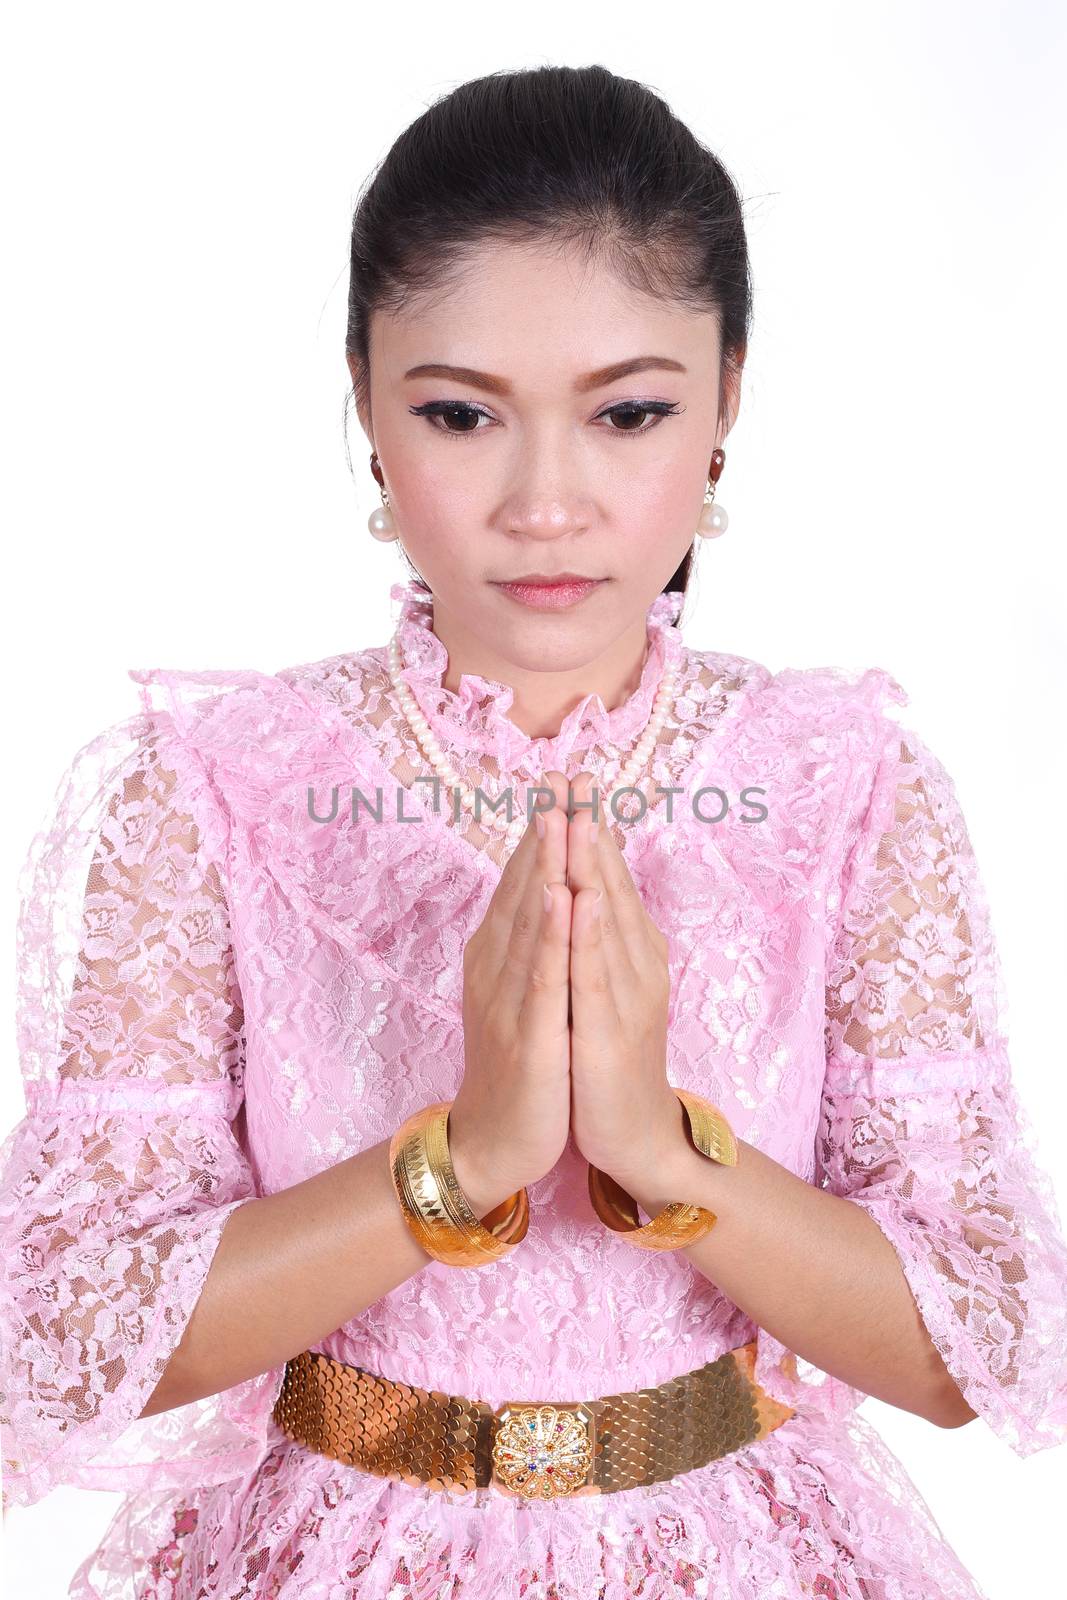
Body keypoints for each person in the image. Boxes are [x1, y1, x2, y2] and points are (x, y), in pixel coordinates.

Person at [2, 61, 1065, 1600]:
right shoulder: (218, 788)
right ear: (365, 402)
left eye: (629, 411)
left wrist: (656, 1148)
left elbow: (969, 1349)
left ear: (727, 407)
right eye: (460, 414)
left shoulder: (845, 786)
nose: (547, 502)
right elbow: (57, 1341)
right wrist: (467, 1158)